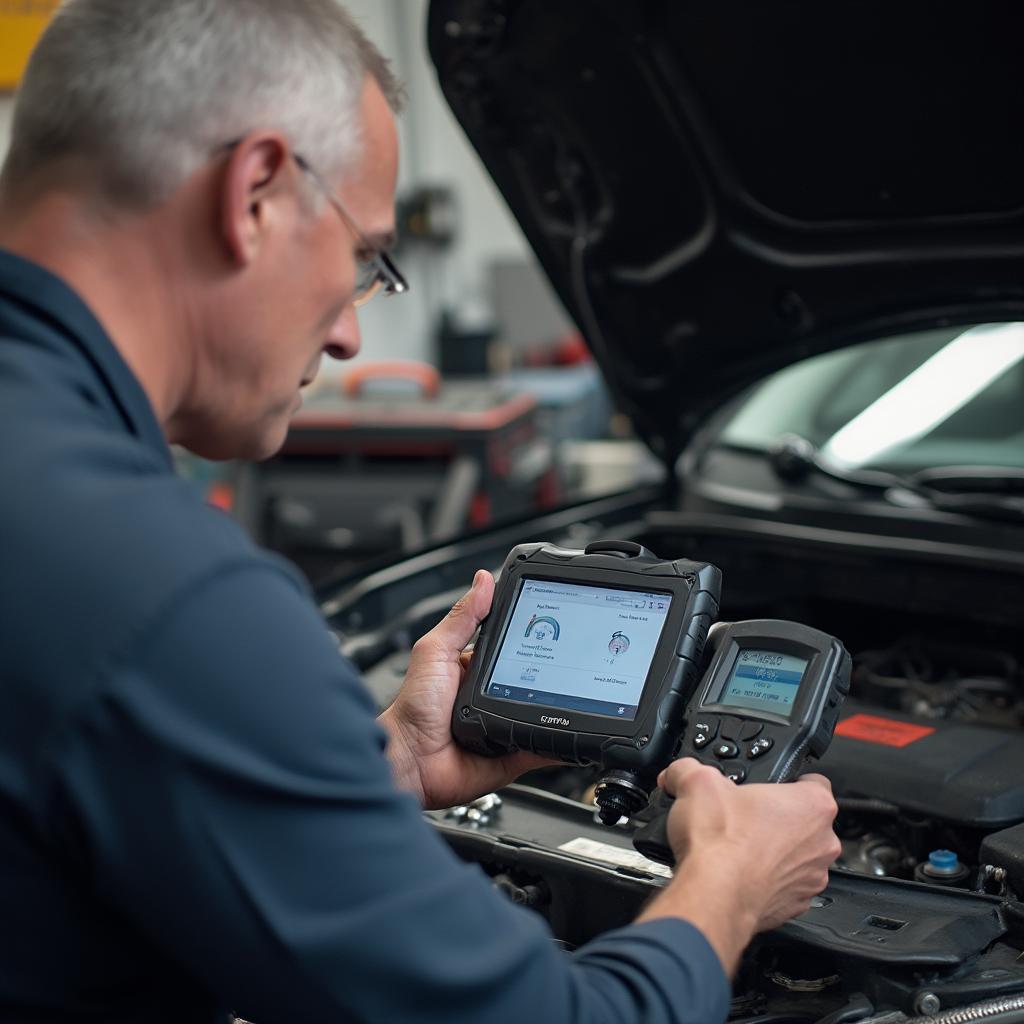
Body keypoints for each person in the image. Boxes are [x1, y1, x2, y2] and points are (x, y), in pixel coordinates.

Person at [0, 1, 841, 1021]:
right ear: (255, 192)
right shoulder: (157, 592)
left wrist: (387, 759)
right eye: (366, 259)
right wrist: (731, 882)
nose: (352, 332)